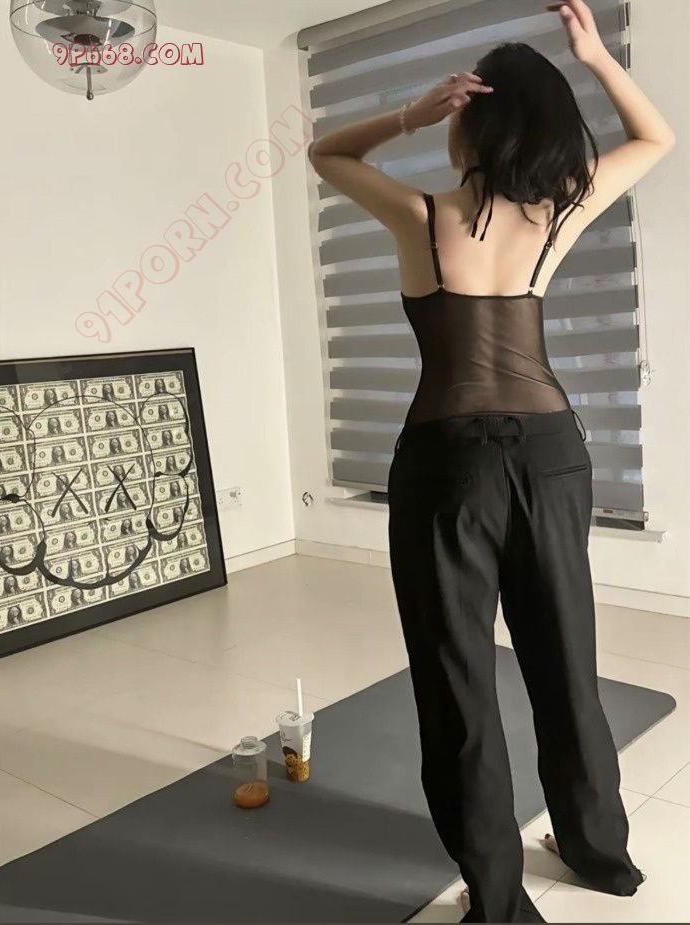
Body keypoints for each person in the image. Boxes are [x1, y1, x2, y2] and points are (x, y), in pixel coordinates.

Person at [307, 2, 675, 923]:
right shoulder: (560, 210)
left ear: (468, 124)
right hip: (552, 456)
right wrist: (595, 56)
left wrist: (409, 114)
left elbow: (325, 153)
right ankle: (598, 853)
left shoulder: (421, 215)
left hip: (447, 465)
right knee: (567, 664)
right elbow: (656, 136)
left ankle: (499, 899)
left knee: (458, 678)